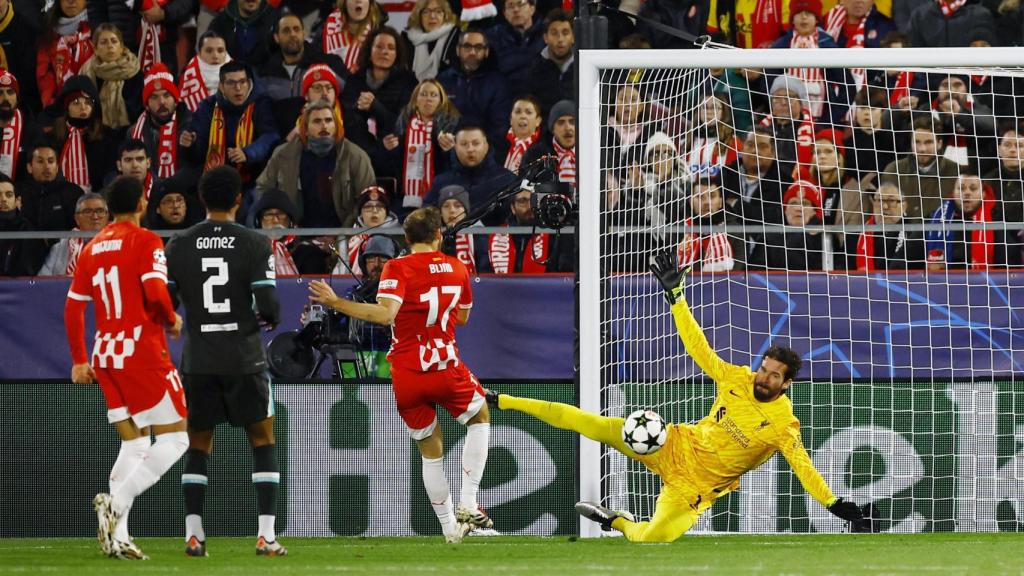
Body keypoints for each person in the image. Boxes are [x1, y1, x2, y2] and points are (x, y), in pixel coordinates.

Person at [484, 251, 865, 542]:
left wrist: (832, 504)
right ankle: (502, 400)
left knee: (654, 538)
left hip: (694, 489)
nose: (762, 377)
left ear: (786, 385)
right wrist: (676, 298)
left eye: (772, 375)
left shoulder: (783, 426)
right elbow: (699, 349)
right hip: (670, 443)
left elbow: (804, 468)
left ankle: (614, 520)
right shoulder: (736, 378)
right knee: (592, 424)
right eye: (763, 368)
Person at [308, 206, 492, 544]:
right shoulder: (457, 268)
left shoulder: (398, 266)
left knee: (429, 447)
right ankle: (468, 500)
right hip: (445, 363)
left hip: (407, 370)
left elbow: (384, 314)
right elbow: (462, 318)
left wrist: (336, 302)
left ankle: (450, 527)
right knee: (479, 417)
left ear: (406, 239)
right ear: (439, 235)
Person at [64, 175, 189, 560]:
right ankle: (116, 503)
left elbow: (73, 307)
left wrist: (80, 360)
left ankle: (118, 535)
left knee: (135, 442)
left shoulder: (93, 247)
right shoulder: (147, 240)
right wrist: (171, 319)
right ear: (142, 203)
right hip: (142, 352)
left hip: (105, 355)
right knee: (176, 438)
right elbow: (155, 293)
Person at [165, 165, 285, 558]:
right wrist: (265, 318)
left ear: (201, 199)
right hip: (244, 358)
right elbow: (268, 307)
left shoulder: (178, 244)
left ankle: (194, 534)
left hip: (199, 359)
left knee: (198, 443)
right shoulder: (255, 243)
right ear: (238, 199)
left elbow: (166, 305)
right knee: (262, 440)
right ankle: (266, 536)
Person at [254, 99, 375, 227]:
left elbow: (367, 198)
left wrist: (344, 233)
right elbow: (263, 188)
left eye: (328, 120)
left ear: (336, 125)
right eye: (317, 121)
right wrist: (279, 219)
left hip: (344, 235)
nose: (324, 126)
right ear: (305, 128)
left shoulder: (356, 156)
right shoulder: (283, 154)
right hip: (296, 234)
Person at [128, 63, 192, 181]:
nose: (162, 102)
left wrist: (192, 147)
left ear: (176, 101)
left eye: (166, 95)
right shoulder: (134, 132)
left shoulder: (191, 126)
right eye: (154, 97)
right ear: (146, 105)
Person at [37, 191, 108, 275]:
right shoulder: (61, 247)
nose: (95, 216)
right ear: (77, 218)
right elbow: (43, 280)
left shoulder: (118, 244)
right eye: (88, 211)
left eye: (100, 211)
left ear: (107, 215)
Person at [0, 172, 47, 275]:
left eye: (8, 195)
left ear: (18, 201)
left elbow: (27, 271)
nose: (3, 199)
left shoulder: (30, 234)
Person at [403, 0, 459, 82]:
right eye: (426, 12)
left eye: (438, 11)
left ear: (445, 15)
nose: (432, 16)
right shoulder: (407, 39)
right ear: (419, 16)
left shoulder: (456, 37)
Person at [179, 30, 232, 113]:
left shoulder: (239, 74)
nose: (215, 55)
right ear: (199, 53)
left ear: (226, 52)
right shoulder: (187, 77)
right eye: (209, 51)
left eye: (220, 50)